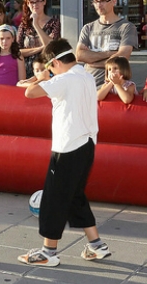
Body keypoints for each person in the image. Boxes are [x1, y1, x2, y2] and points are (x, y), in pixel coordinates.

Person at [19, 38, 110, 267]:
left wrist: (41, 77)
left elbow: (30, 93)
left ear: (56, 62)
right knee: (74, 196)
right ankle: (96, 245)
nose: (49, 70)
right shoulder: (86, 75)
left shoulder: (64, 79)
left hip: (67, 147)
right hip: (87, 144)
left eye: (49, 66)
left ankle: (48, 251)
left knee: (54, 198)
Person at [76, 0, 137, 87]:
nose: (99, 5)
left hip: (114, 87)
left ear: (114, 1)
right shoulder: (88, 28)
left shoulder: (127, 27)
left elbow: (122, 57)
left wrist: (93, 61)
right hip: (88, 85)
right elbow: (79, 55)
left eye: (103, 1)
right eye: (96, 1)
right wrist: (109, 54)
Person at [17, 0, 61, 78]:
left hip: (47, 71)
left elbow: (50, 45)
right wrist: (40, 48)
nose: (35, 5)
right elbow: (17, 51)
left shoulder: (54, 23)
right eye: (31, 2)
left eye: (38, 1)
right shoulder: (24, 25)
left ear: (44, 2)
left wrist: (36, 24)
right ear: (28, 4)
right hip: (27, 71)